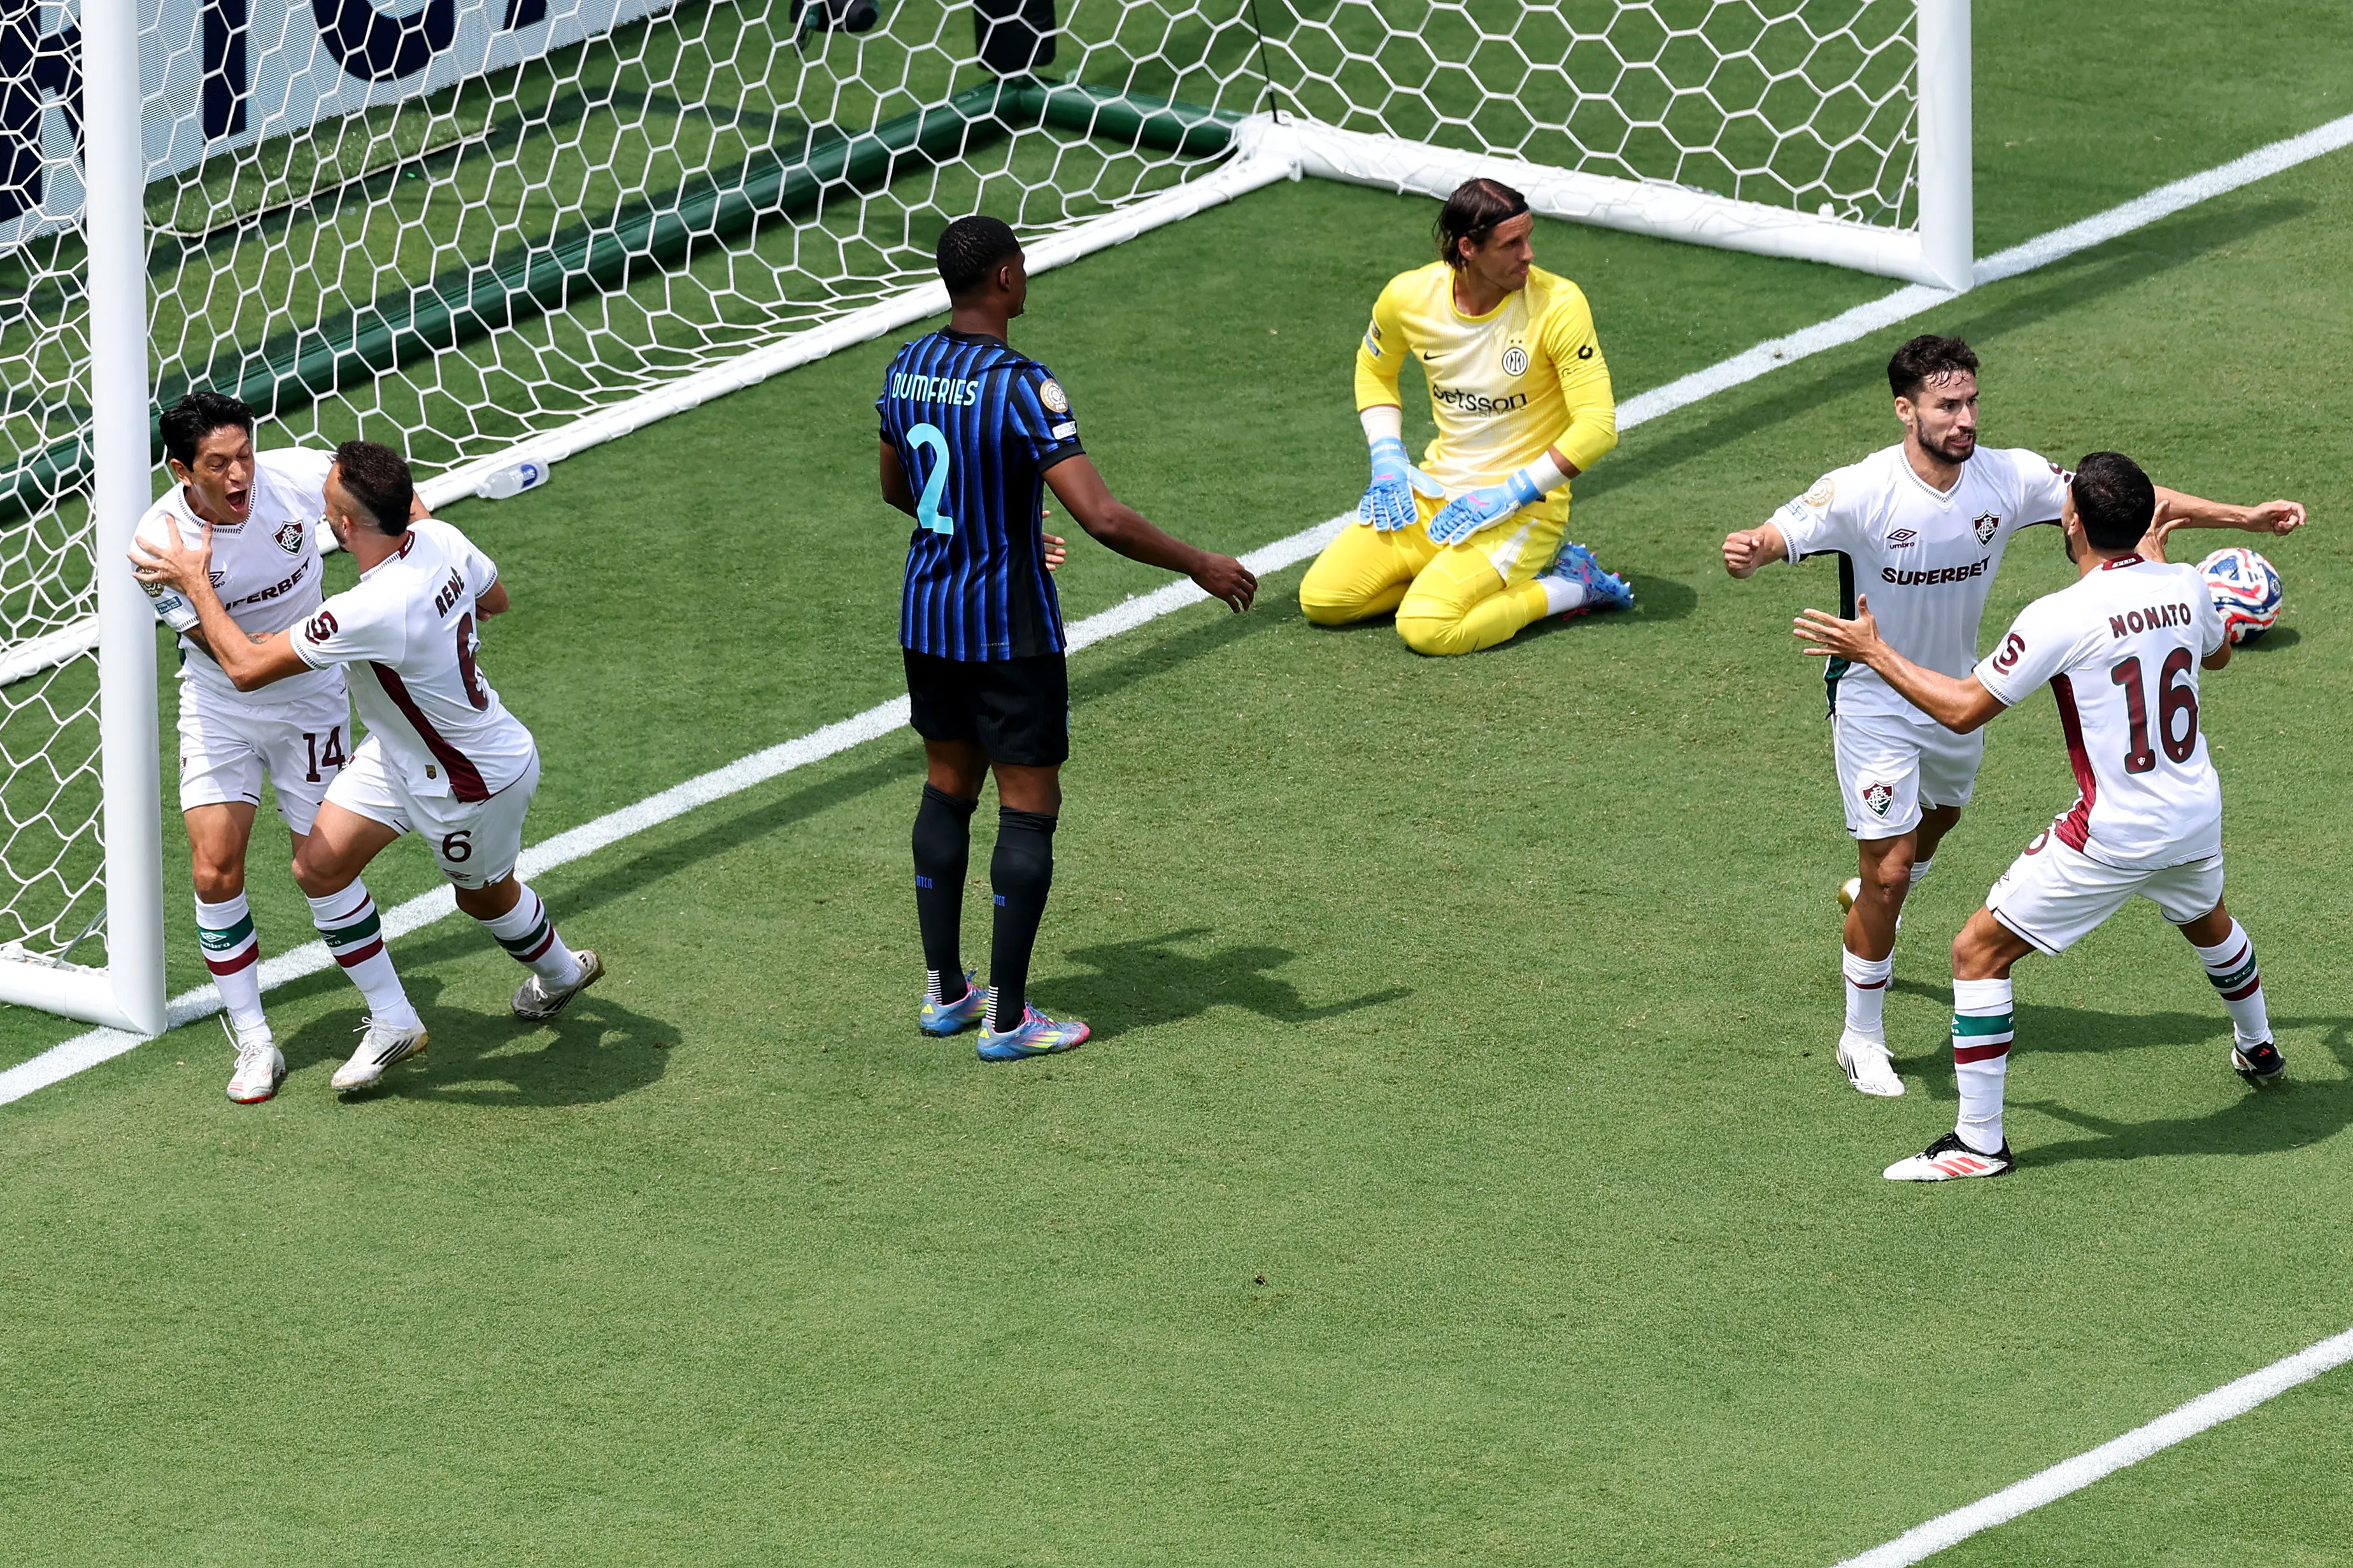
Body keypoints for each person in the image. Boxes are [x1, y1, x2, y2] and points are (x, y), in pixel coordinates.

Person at [1723, 335, 2304, 1100]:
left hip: (1956, 690)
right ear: (1905, 411)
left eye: (1969, 402)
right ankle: (1860, 1035)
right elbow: (1783, 531)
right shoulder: (1861, 490)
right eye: (1945, 406)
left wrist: (2244, 518)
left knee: (1941, 817)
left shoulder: (2008, 476)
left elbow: (2126, 501)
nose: (1963, 419)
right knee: (1888, 872)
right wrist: (1753, 550)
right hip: (1874, 690)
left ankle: (1877, 893)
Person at [1794, 451, 2287, 1179]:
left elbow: (1961, 710)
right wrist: (2161, 568)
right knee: (2204, 916)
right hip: (2193, 810)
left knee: (1976, 953)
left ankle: (1977, 1143)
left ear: (2073, 523)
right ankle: (2258, 1045)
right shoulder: (2185, 584)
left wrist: (1873, 651)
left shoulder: (2058, 615)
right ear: (2146, 519)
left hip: (2114, 830)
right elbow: (2211, 657)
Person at [878, 215, 1257, 1061]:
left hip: (927, 613)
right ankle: (1008, 1018)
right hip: (1006, 627)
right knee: (1026, 802)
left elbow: (898, 485)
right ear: (1007, 278)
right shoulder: (1021, 383)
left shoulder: (904, 366)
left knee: (946, 785)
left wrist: (996, 521)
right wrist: (1198, 562)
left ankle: (945, 990)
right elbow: (1103, 516)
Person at [129, 441, 601, 1093]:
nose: (319, 516)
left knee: (483, 897)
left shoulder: (369, 610)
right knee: (318, 867)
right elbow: (496, 604)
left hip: (470, 781)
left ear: (348, 527)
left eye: (327, 510)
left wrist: (192, 584)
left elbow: (242, 667)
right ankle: (393, 1020)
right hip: (399, 752)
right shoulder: (442, 537)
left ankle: (560, 972)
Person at [133, 392, 420, 1104]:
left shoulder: (295, 476)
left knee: (320, 865)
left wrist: (414, 554)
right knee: (213, 873)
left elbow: (392, 500)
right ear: (180, 470)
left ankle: (392, 1016)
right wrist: (202, 588)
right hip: (220, 706)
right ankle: (255, 1038)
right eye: (218, 464)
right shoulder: (155, 546)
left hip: (311, 701)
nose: (239, 477)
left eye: (245, 456)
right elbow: (235, 661)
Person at [1298, 177, 1633, 656]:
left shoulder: (1557, 305)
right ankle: (1450, 576)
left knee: (1428, 628)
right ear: (1467, 249)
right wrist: (1388, 459)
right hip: (1435, 496)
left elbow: (1597, 427)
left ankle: (1569, 586)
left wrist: (1513, 491)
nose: (1529, 254)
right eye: (1511, 244)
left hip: (1520, 509)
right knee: (1323, 600)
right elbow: (1374, 370)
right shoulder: (1408, 297)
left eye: (1528, 237)